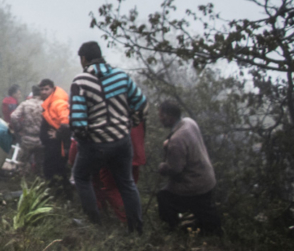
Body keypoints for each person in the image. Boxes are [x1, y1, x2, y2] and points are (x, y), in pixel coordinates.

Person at [69, 41, 146, 233]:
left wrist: (85, 141)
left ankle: (94, 223)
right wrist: (130, 123)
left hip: (96, 143)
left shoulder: (81, 81)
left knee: (81, 176)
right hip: (122, 141)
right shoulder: (121, 76)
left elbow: (78, 122)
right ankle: (136, 228)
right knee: (126, 183)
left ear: (84, 59)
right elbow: (141, 103)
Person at [157, 100, 222, 235]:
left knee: (163, 196)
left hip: (195, 184)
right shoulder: (189, 122)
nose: (159, 118)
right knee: (205, 211)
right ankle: (201, 223)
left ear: (170, 117)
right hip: (208, 178)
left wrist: (163, 167)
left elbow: (175, 170)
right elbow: (185, 141)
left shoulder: (176, 140)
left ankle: (174, 229)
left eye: (161, 115)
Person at [38, 78, 71, 196]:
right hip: (50, 145)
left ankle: (63, 196)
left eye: (46, 89)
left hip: (57, 146)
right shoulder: (49, 103)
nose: (44, 92)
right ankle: (56, 195)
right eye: (41, 89)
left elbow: (66, 123)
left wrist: (57, 134)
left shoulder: (58, 102)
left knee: (57, 171)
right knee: (52, 170)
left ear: (53, 89)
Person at [9, 85, 44, 175]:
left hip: (27, 138)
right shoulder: (45, 104)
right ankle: (38, 184)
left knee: (22, 164)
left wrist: (19, 128)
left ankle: (21, 184)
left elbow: (13, 116)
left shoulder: (25, 104)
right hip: (40, 139)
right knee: (39, 165)